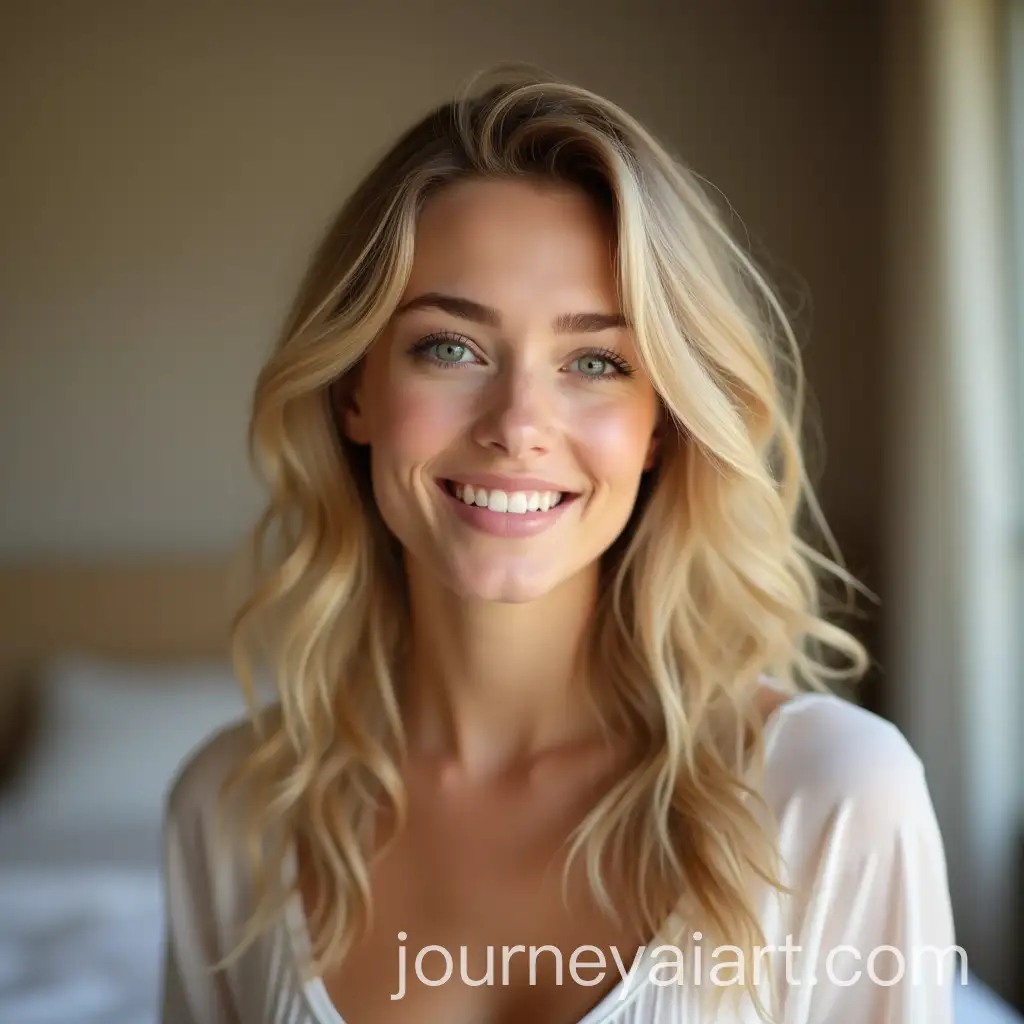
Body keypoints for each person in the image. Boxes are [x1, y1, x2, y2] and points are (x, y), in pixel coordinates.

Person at [160, 66, 957, 1024]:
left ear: (661, 424)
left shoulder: (831, 796)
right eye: (450, 347)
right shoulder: (233, 811)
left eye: (596, 362)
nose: (518, 424)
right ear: (353, 392)